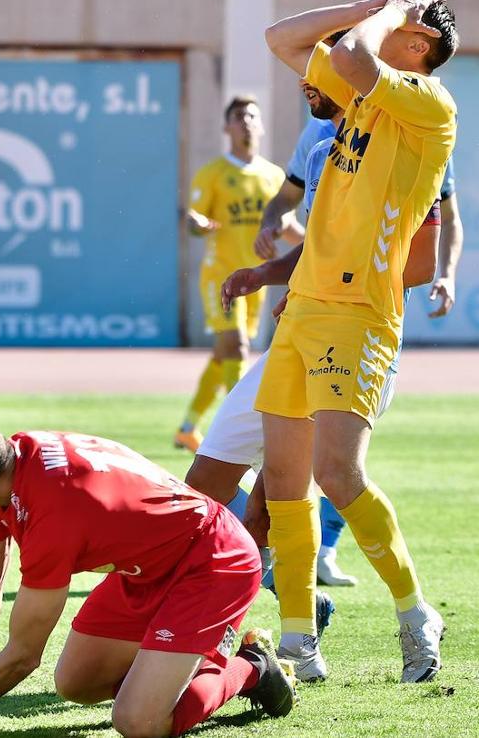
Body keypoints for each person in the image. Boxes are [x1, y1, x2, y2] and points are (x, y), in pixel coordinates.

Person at [186, 76, 464, 591]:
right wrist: (267, 271)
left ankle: (348, 599)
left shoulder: (412, 143)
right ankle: (266, 588)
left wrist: (331, 286)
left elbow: (425, 250)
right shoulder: (317, 147)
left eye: (324, 70)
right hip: (295, 331)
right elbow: (312, 235)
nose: (307, 82)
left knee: (320, 477)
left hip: (353, 332)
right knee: (210, 482)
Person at [258, 0, 459, 683]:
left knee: (336, 472)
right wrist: (372, 0)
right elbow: (281, 39)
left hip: (361, 312)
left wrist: (386, 15)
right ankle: (297, 638)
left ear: (421, 45)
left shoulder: (429, 105)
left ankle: (413, 612)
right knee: (284, 478)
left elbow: (348, 57)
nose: (388, 25)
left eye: (405, 23)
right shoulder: (362, 96)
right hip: (304, 307)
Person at [0, 409, 296, 738]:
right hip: (149, 567)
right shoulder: (6, 467)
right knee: (77, 682)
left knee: (139, 722)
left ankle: (251, 668)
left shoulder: (51, 516)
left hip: (213, 562)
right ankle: (173, 667)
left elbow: (24, 654)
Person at [174, 96, 286, 453]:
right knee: (236, 345)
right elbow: (193, 221)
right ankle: (241, 432)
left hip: (257, 277)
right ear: (226, 128)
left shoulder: (274, 176)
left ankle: (189, 427)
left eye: (253, 115)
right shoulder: (214, 174)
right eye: (238, 117)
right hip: (221, 276)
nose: (247, 122)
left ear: (262, 125)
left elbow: (288, 225)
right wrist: (197, 224)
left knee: (226, 353)